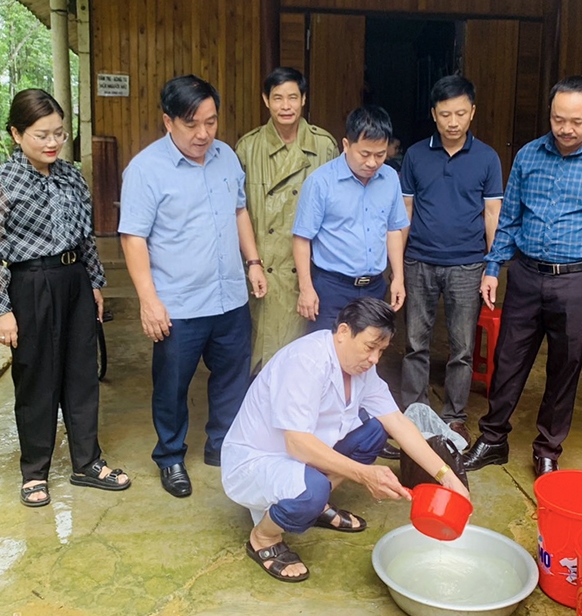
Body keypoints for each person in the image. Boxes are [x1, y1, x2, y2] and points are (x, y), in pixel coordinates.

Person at [221, 297, 469, 582]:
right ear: (343, 332)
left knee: (374, 431)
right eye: (369, 347)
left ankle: (316, 504)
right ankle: (263, 537)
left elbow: (397, 422)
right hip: (259, 460)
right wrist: (364, 474)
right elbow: (296, 443)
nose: (375, 359)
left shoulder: (361, 368)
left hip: (303, 455)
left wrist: (445, 475)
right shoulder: (306, 362)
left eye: (381, 350)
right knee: (311, 490)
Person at [463, 76, 582, 477]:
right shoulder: (528, 156)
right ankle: (492, 439)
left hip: (579, 282)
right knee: (508, 360)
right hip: (525, 274)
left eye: (576, 121)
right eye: (558, 119)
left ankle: (547, 449)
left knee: (564, 367)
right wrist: (494, 267)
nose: (566, 129)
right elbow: (509, 218)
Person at [119, 75, 267, 498]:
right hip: (178, 303)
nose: (203, 134)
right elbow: (133, 238)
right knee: (172, 385)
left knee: (231, 378)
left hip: (229, 297)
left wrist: (253, 261)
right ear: (168, 122)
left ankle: (223, 446)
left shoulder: (226, 158)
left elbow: (239, 211)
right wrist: (149, 301)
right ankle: (170, 456)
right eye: (192, 124)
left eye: (211, 122)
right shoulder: (146, 170)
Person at [0, 89, 130, 507]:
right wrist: (1, 310)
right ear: (16, 133)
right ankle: (35, 472)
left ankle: (87, 462)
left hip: (74, 280)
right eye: (41, 135)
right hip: (29, 284)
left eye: (59, 134)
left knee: (82, 373)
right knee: (37, 378)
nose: (52, 143)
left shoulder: (70, 176)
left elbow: (86, 238)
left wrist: (96, 284)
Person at [400, 75, 503, 447]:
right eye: (445, 114)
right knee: (415, 342)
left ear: (472, 112)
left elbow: (493, 215)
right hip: (419, 261)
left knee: (461, 347)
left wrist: (493, 266)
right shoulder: (415, 155)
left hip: (468, 263)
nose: (453, 122)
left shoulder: (487, 157)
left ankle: (455, 418)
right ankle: (414, 412)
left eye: (461, 113)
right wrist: (397, 267)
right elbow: (405, 212)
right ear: (434, 115)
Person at [236, 67, 338, 373]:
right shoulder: (248, 148)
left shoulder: (324, 146)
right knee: (260, 358)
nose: (285, 106)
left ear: (303, 99)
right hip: (263, 271)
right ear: (265, 100)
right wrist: (253, 263)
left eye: (292, 97)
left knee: (306, 361)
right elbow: (238, 212)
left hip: (308, 273)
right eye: (277, 98)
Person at [292, 105, 409, 332]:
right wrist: (306, 288)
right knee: (327, 354)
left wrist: (398, 278)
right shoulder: (321, 182)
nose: (373, 163)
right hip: (331, 288)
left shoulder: (390, 179)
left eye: (380, 154)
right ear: (346, 145)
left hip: (374, 287)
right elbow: (302, 238)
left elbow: (394, 229)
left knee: (367, 353)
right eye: (364, 154)